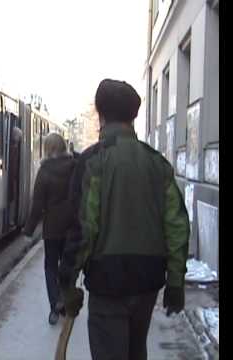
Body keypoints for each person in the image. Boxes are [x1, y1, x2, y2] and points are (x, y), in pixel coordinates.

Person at [59, 79, 190, 360]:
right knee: (136, 350)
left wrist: (67, 283)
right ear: (133, 117)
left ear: (101, 116)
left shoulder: (93, 161)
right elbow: (177, 226)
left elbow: (84, 227)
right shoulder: (158, 163)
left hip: (108, 284)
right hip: (148, 282)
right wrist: (176, 282)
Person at [23, 133, 77, 325]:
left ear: (48, 149)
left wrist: (29, 230)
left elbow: (37, 204)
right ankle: (66, 300)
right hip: (72, 226)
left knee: (50, 267)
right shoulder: (74, 167)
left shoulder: (44, 171)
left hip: (52, 227)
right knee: (68, 265)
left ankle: (55, 306)